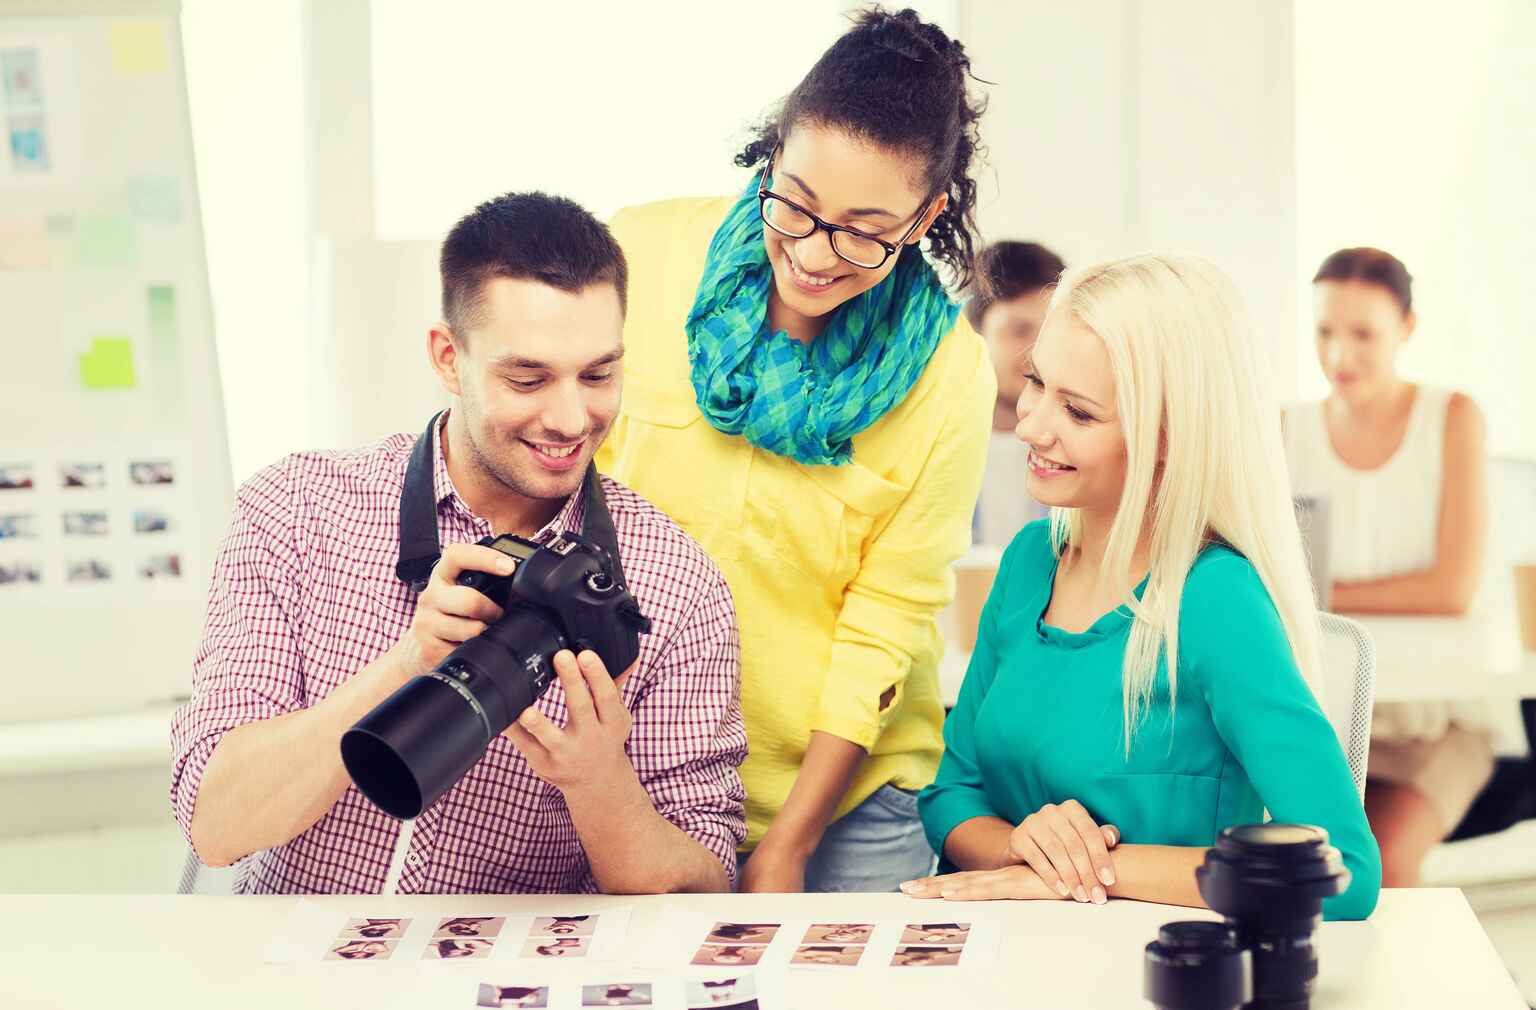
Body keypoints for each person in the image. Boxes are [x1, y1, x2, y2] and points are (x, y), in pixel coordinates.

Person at [169, 193, 748, 894]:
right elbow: (215, 824)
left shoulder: (675, 583)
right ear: (449, 358)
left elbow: (704, 891)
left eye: (598, 375)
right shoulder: (296, 510)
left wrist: (598, 780)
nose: (571, 419)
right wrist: (409, 663)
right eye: (528, 378)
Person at [598, 5, 993, 894]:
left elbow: (887, 616)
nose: (815, 255)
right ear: (773, 153)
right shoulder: (640, 256)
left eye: (864, 229)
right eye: (798, 205)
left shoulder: (950, 377)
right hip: (639, 766)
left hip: (845, 800)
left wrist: (790, 843)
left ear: (925, 216)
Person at [905, 253, 1382, 920]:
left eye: (1078, 412)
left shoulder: (1214, 599)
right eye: (1036, 381)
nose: (1033, 424)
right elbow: (952, 796)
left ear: (1167, 436)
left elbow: (1344, 872)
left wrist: (1091, 870)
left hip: (1154, 959)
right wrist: (1020, 847)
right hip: (1009, 949)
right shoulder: (1027, 562)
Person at [1283, 247, 1492, 887]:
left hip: (1435, 723)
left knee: (1382, 864)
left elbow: (1451, 589)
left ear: (1407, 328)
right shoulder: (1288, 428)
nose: (1339, 354)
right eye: (1324, 331)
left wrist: (1317, 592)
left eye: (1363, 334)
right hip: (1328, 718)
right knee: (1289, 860)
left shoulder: (1452, 417)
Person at [965, 241, 1066, 547]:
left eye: (1050, 330)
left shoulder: (1084, 455)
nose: (1038, 351)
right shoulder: (928, 450)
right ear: (973, 334)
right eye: (1019, 331)